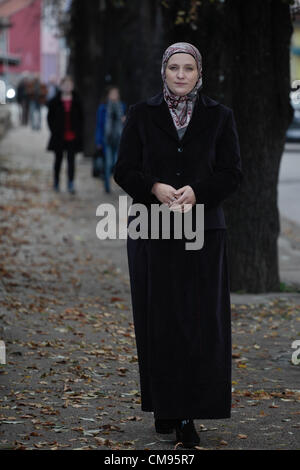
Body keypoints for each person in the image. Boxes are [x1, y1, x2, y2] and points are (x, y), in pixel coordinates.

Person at [113, 42, 243, 448]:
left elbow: (231, 173)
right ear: (164, 72)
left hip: (204, 235)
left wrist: (197, 192)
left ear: (199, 72)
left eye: (189, 68)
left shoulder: (220, 116)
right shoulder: (141, 114)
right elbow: (123, 170)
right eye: (174, 67)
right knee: (160, 322)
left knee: (199, 323)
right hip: (152, 233)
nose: (182, 74)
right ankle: (165, 406)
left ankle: (187, 412)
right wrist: (153, 186)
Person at [46, 75, 84, 194]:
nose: (67, 87)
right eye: (65, 84)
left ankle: (71, 183)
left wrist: (78, 132)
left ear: (72, 86)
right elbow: (49, 117)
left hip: (72, 136)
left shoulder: (77, 101)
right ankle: (56, 181)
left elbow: (82, 118)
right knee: (58, 160)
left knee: (71, 161)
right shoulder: (55, 101)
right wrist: (54, 130)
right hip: (59, 136)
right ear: (61, 86)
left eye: (69, 84)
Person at [95, 86, 126, 193]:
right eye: (112, 93)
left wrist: (124, 120)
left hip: (119, 139)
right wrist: (98, 141)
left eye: (116, 94)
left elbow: (127, 125)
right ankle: (107, 186)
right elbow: (99, 126)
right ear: (108, 95)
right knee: (108, 163)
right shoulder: (103, 108)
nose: (114, 96)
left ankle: (122, 183)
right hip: (107, 140)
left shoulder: (122, 107)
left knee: (116, 163)